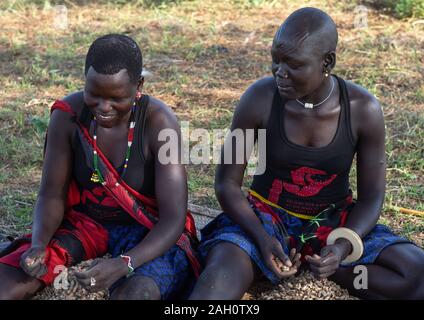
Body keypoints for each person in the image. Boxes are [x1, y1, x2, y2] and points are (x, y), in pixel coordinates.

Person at [189, 7, 424, 300]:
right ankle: (269, 260)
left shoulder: (363, 109)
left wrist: (340, 249)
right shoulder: (259, 99)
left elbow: (373, 197)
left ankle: (323, 270)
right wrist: (262, 240)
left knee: (415, 273)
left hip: (333, 224)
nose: (280, 72)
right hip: (265, 220)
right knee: (218, 281)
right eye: (276, 60)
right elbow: (226, 183)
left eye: (294, 65)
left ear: (327, 62)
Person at [0, 34, 200, 300]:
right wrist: (39, 244)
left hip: (146, 231)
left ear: (138, 85)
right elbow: (51, 194)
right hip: (86, 224)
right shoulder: (68, 116)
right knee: (10, 283)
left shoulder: (159, 123)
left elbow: (173, 218)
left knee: (138, 292)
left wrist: (125, 262)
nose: (104, 108)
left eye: (116, 98)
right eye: (94, 95)